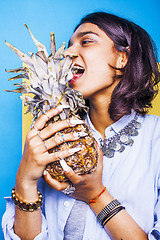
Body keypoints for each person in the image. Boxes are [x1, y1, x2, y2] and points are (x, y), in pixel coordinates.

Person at [2, 11, 160, 240]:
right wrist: (25, 182)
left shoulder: (155, 137)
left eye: (86, 41)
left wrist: (96, 194)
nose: (67, 53)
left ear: (122, 58)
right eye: (69, 45)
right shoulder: (52, 134)